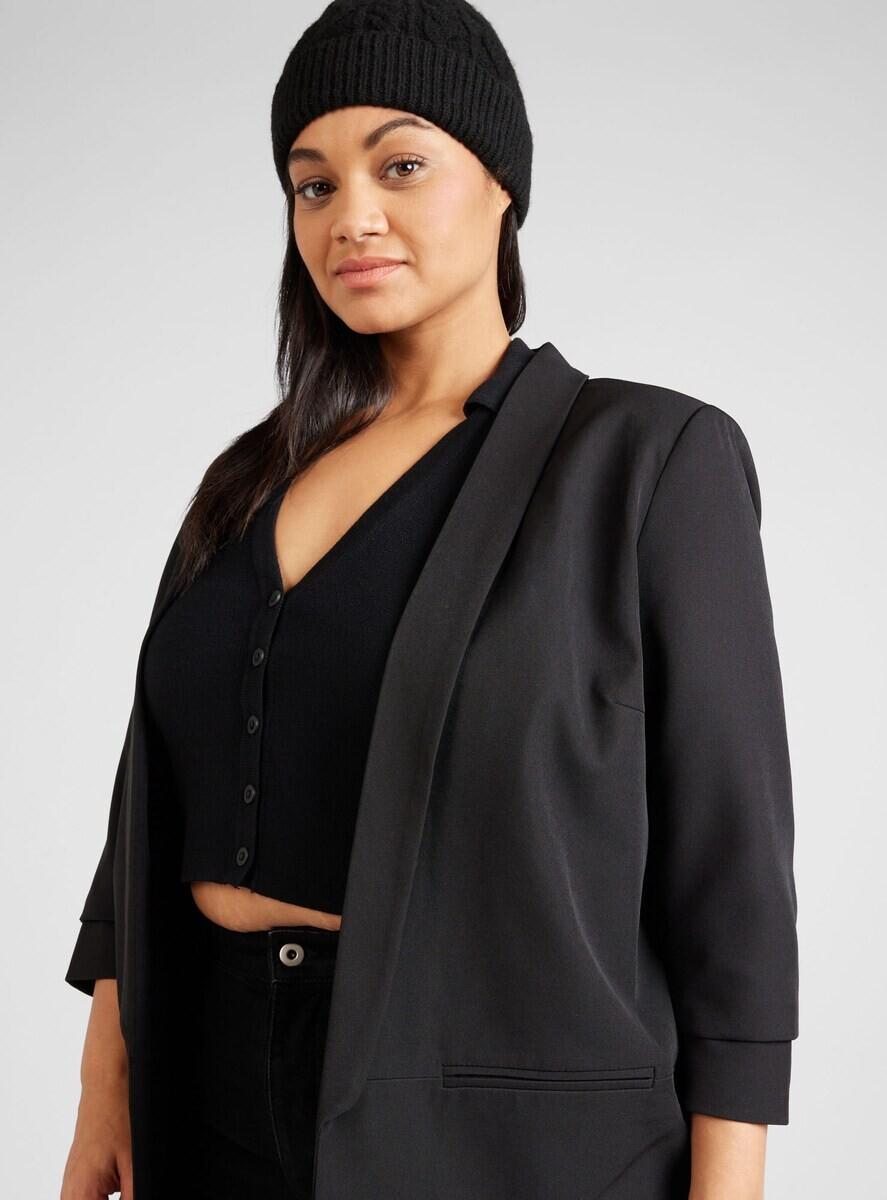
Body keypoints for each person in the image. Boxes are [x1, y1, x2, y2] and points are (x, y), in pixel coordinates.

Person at [61, 2, 799, 1198]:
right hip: (208, 1097)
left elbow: (733, 871)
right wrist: (107, 1079)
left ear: (502, 183)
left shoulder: (645, 460)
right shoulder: (251, 479)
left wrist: (731, 1185)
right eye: (312, 185)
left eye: (400, 165)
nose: (350, 216)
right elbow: (151, 799)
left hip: (491, 1130)